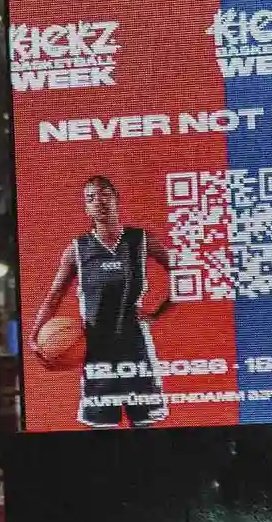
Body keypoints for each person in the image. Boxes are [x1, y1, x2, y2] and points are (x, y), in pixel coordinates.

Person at [29, 176, 172, 428]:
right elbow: (53, 296)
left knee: (145, 425)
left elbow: (183, 271)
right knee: (102, 429)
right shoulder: (77, 249)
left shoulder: (140, 239)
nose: (99, 201)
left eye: (105, 194)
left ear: (116, 199)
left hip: (135, 344)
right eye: (91, 198)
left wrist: (161, 311)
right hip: (96, 349)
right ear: (86, 207)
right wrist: (34, 334)